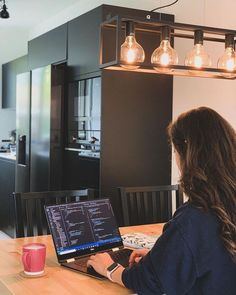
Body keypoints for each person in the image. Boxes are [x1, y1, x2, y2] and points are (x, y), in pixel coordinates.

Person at [87, 107, 236, 295]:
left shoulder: (193, 217)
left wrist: (110, 268)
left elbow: (151, 284)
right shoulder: (224, 206)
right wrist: (162, 259)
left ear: (188, 155)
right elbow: (214, 260)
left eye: (175, 151)